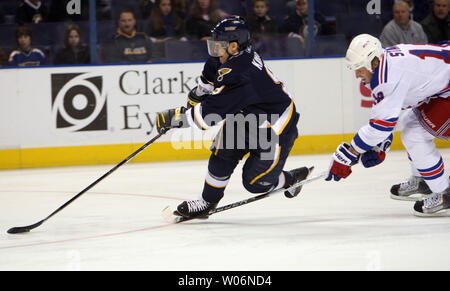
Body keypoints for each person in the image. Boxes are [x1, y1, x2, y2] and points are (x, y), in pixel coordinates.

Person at [155, 16, 313, 219]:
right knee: (222, 153)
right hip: (247, 117)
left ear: (234, 46)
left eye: (217, 46)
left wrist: (175, 117)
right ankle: (207, 202)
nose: (214, 51)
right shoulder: (228, 55)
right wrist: (198, 94)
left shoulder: (241, 73)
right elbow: (208, 82)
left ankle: (290, 179)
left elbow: (207, 117)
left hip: (273, 128)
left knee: (255, 183)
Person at [326, 34, 449, 217]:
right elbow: (388, 115)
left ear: (373, 62)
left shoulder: (387, 77)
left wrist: (350, 153)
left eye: (359, 68)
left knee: (414, 134)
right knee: (410, 122)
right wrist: (379, 142)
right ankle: (423, 180)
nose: (357, 74)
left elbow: (381, 126)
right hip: (443, 83)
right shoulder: (385, 64)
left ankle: (444, 192)